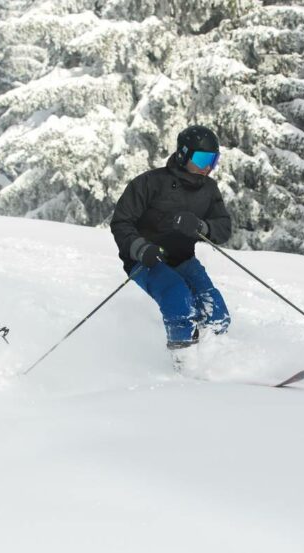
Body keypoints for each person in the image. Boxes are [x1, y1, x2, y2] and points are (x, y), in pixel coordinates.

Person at [111, 125, 232, 370]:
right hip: (146, 260)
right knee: (178, 296)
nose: (208, 166)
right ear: (183, 154)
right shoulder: (150, 183)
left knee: (215, 308)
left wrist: (201, 226)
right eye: (201, 159)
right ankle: (184, 364)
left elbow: (223, 227)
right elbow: (121, 222)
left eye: (213, 160)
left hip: (182, 258)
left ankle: (216, 363)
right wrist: (140, 248)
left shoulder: (208, 189)